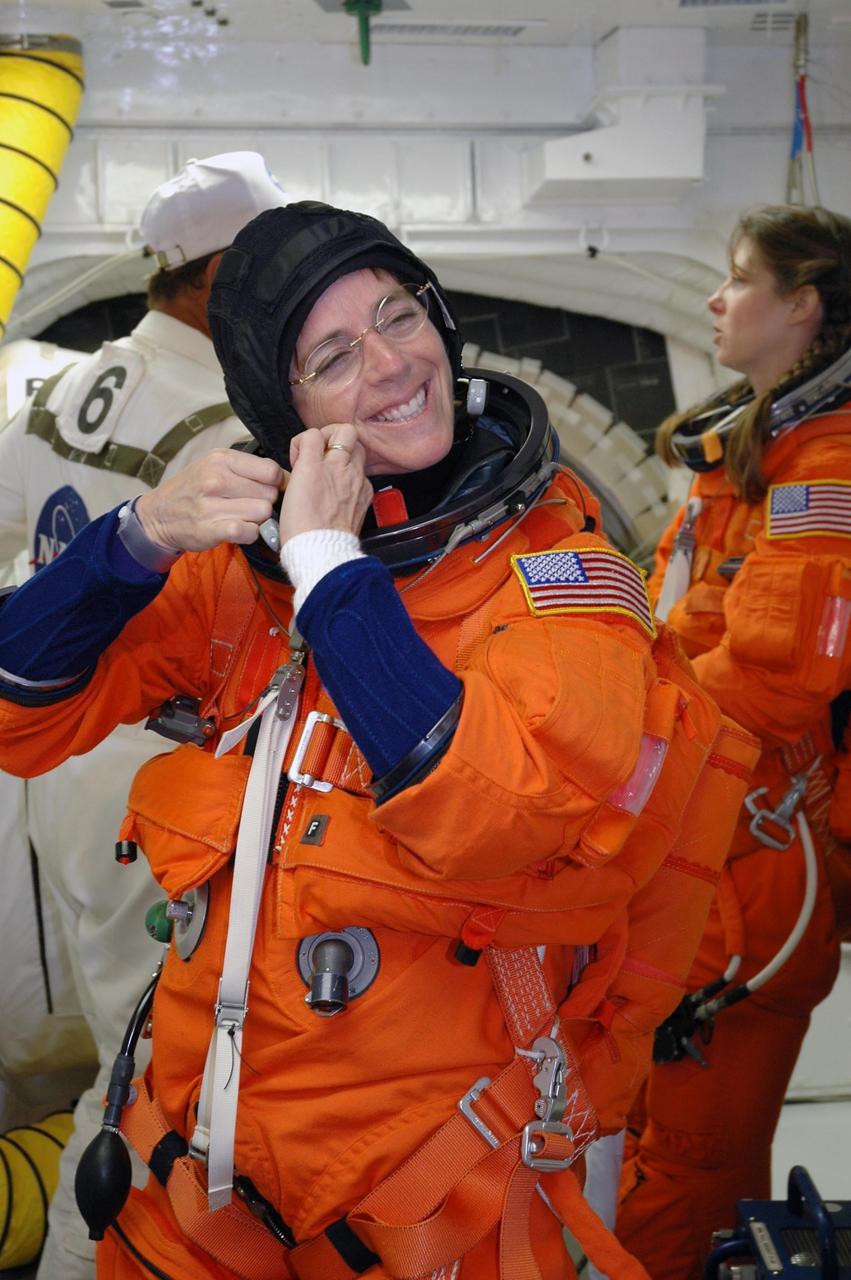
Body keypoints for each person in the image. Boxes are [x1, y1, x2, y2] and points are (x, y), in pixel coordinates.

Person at [0, 202, 758, 1280]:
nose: (395, 364)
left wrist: (332, 571)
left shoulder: (558, 571)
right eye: (334, 354)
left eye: (400, 315)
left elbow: (492, 810)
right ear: (283, 408)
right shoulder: (242, 583)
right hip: (206, 1153)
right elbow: (19, 708)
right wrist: (136, 538)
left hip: (429, 1195)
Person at [0, 150, 287, 1280]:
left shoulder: (61, 386)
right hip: (153, 774)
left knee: (84, 994)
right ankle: (114, 1246)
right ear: (215, 283)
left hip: (48, 759)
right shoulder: (229, 417)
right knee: (154, 1046)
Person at [616, 203, 851, 1280]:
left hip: (756, 858)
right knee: (642, 1135)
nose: (715, 298)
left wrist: (624, 747)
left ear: (801, 307)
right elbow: (688, 629)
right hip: (701, 841)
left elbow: (773, 678)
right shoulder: (754, 451)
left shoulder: (826, 468)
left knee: (690, 1163)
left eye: (737, 278)